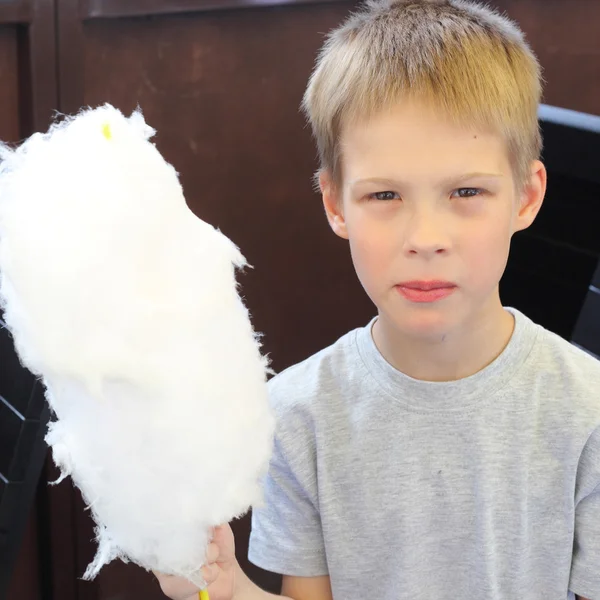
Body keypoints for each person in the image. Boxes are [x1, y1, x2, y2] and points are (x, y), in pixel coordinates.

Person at [156, 0, 600, 598]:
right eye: (385, 196)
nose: (424, 239)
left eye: (466, 191)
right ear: (335, 203)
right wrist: (227, 590)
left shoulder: (587, 414)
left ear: (525, 196)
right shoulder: (296, 415)